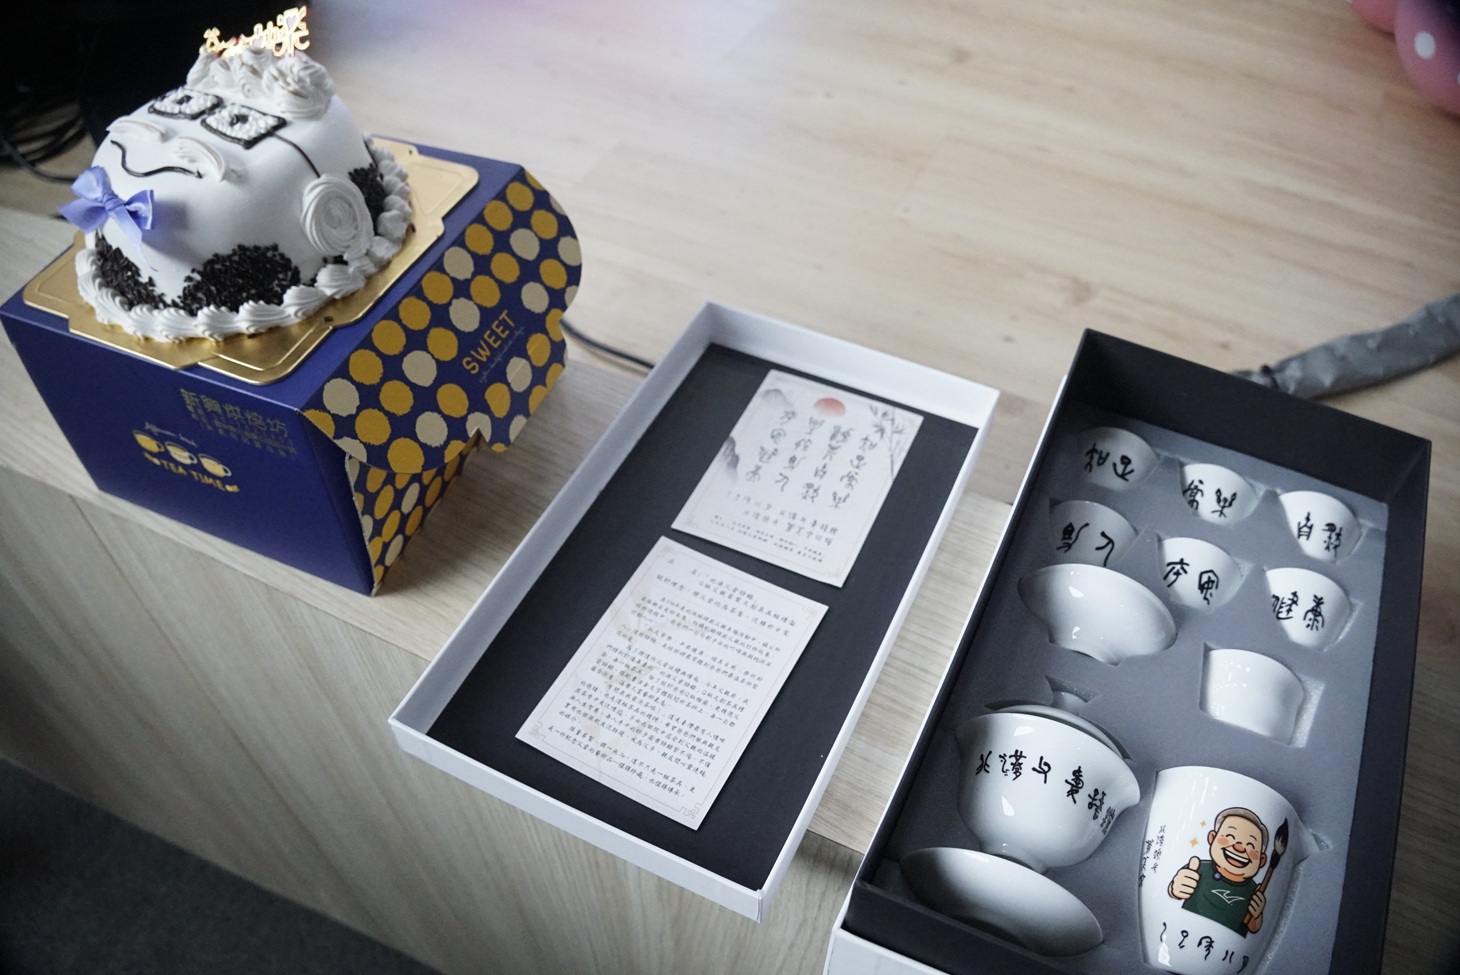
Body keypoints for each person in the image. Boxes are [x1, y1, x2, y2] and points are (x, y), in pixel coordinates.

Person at [1167, 806, 1269, 936]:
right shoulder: (1197, 868)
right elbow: (1174, 891)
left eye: (1250, 845)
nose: (1239, 848)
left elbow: (1253, 928)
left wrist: (1256, 916)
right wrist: (1175, 888)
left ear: (1261, 861)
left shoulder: (1254, 892)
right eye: (1230, 836)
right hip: (1179, 931)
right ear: (1212, 838)